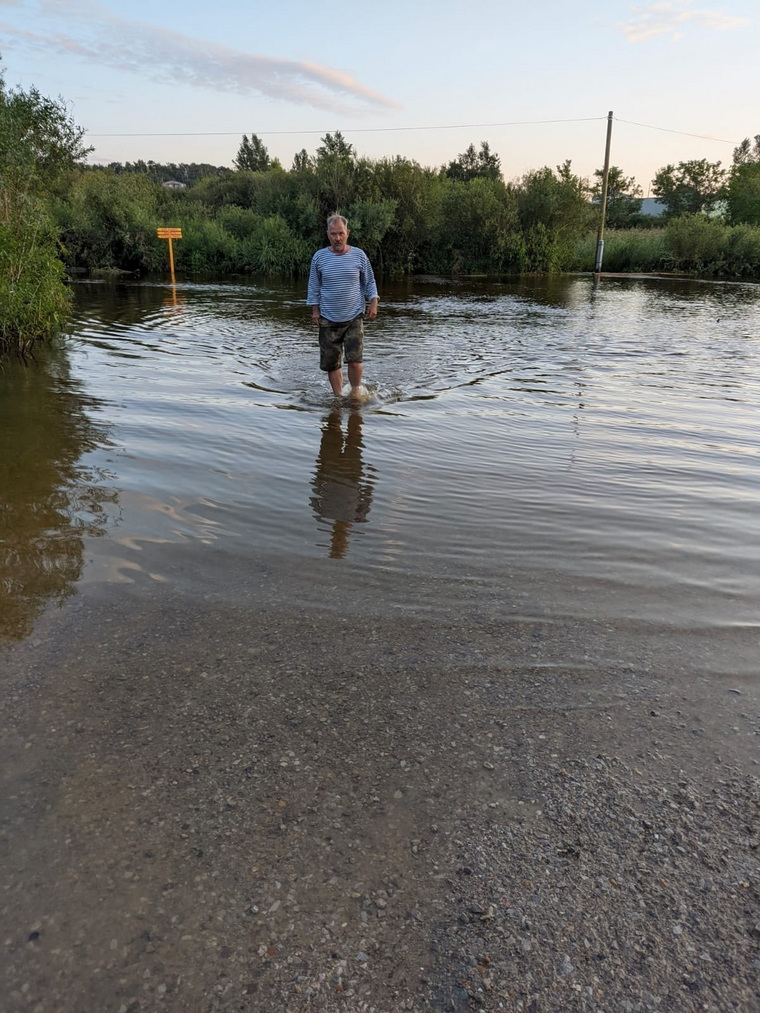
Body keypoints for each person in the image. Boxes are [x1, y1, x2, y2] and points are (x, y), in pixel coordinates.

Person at [307, 214, 379, 397]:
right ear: (328, 234)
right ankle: (338, 398)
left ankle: (355, 393)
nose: (337, 238)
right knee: (332, 363)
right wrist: (315, 311)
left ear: (348, 233)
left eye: (341, 233)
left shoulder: (359, 255)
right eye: (333, 234)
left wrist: (373, 303)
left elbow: (370, 282)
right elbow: (314, 286)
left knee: (355, 360)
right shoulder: (319, 257)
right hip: (328, 317)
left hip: (354, 315)